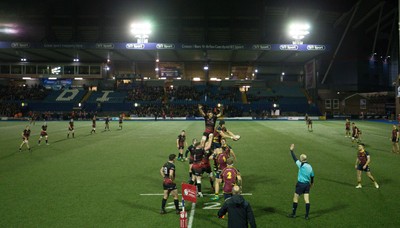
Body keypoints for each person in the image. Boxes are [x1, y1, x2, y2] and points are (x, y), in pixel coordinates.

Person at [288, 144, 314, 220]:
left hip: (300, 185)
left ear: (302, 159)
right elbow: (312, 176)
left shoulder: (301, 165)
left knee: (295, 198)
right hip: (307, 185)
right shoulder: (310, 166)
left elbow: (294, 158)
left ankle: (293, 214)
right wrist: (312, 183)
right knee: (307, 200)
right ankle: (306, 216)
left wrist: (291, 150)